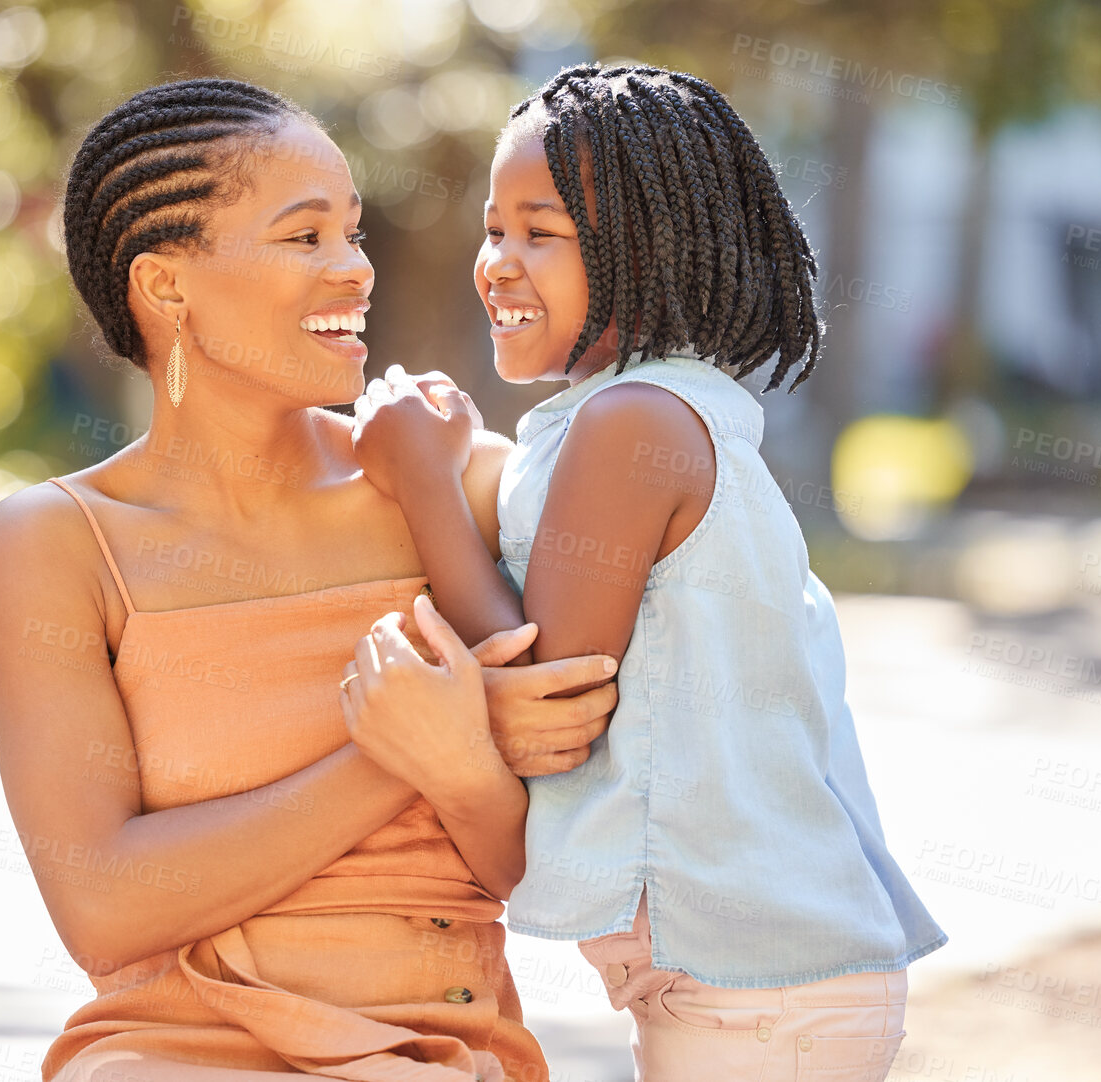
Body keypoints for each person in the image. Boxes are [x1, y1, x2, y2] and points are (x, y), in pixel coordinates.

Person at [0, 77, 615, 1082]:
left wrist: (465, 753)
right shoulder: (55, 542)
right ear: (167, 286)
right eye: (303, 237)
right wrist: (401, 753)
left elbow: (574, 850)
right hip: (167, 1052)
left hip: (443, 1049)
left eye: (351, 233)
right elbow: (101, 908)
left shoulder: (455, 484)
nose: (354, 269)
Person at [351, 62, 947, 1081]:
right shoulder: (645, 414)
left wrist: (419, 478)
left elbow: (544, 685)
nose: (496, 261)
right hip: (750, 979)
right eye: (493, 228)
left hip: (757, 993)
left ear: (646, 248)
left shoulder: (635, 425)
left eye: (540, 232)